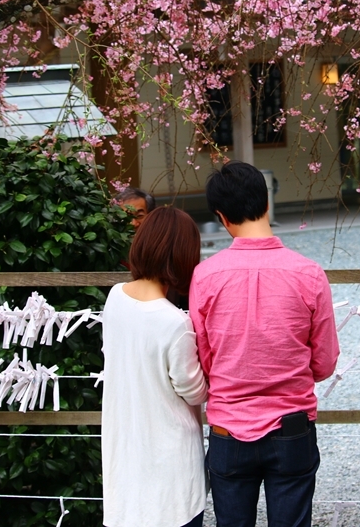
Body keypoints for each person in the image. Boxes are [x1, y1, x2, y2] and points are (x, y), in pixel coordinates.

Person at [190, 161, 339, 527]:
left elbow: (204, 362)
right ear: (266, 203)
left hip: (228, 429)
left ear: (222, 217)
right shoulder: (308, 273)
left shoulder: (205, 276)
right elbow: (324, 363)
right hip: (292, 427)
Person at [101, 206, 208, 527]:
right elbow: (195, 392)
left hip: (125, 452)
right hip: (170, 465)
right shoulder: (175, 323)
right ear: (184, 257)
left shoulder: (115, 296)